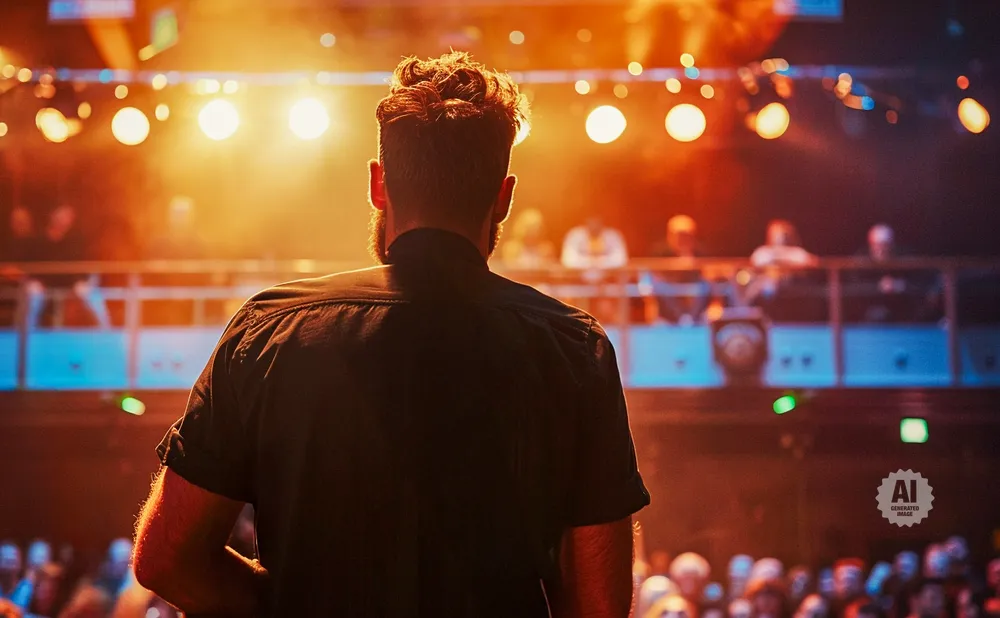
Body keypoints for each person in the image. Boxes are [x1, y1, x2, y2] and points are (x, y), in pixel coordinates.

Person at [132, 51, 650, 618]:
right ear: (503, 198)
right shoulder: (573, 349)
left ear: (379, 184)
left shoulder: (268, 330)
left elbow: (165, 560)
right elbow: (600, 608)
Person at [23, 204, 111, 329]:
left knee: (92, 293)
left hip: (72, 283)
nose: (66, 219)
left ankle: (107, 330)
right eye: (63, 215)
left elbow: (83, 264)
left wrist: (82, 282)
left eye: (69, 217)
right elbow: (30, 266)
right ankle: (27, 334)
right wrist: (34, 281)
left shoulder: (75, 241)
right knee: (33, 292)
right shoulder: (38, 241)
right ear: (52, 216)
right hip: (44, 284)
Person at [645, 215, 712, 324]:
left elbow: (710, 275)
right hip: (668, 289)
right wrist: (675, 267)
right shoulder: (660, 252)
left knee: (704, 286)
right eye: (679, 235)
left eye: (687, 235)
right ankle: (681, 320)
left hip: (693, 289)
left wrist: (690, 260)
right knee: (659, 287)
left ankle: (691, 320)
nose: (683, 239)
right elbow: (654, 275)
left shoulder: (701, 253)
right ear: (670, 236)